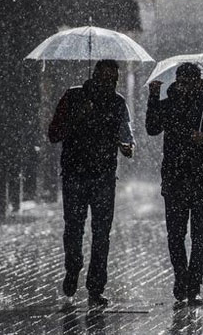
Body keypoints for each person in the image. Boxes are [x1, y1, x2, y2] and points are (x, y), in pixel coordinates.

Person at [146, 63, 203, 307]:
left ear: (199, 82)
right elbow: (152, 128)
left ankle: (194, 286)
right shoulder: (168, 105)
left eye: (189, 82)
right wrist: (153, 98)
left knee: (199, 236)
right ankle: (180, 278)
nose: (184, 87)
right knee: (175, 235)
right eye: (181, 82)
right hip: (175, 179)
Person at [48, 60, 135, 308]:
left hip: (104, 176)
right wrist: (78, 116)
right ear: (94, 76)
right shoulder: (73, 97)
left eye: (114, 80)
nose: (109, 84)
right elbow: (54, 134)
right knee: (74, 228)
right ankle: (73, 268)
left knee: (101, 234)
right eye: (105, 78)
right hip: (75, 174)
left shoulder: (117, 103)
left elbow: (126, 136)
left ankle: (96, 287)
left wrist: (127, 147)